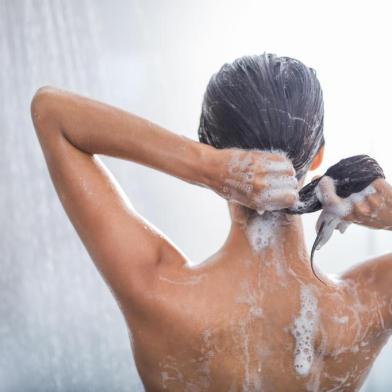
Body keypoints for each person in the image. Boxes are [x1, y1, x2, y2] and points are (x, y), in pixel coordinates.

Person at [31, 53, 392, 391]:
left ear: (209, 147)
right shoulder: (365, 305)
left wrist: (203, 166)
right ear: (318, 157)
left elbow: (52, 112)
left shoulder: (159, 291)